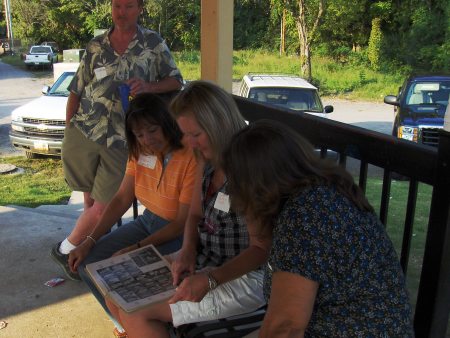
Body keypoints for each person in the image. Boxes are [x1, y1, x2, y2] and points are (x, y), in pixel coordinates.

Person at [105, 81, 270, 337]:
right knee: (115, 286)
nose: (187, 142)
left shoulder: (249, 169)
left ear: (218, 125)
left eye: (194, 135)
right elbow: (193, 215)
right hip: (205, 260)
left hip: (244, 277)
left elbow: (261, 250)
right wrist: (187, 251)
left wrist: (210, 279)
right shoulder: (206, 159)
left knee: (135, 313)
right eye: (185, 134)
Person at [222, 120, 414, 337]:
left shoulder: (306, 215)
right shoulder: (318, 194)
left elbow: (285, 325)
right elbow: (262, 242)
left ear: (256, 184)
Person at [52, 0, 183, 280]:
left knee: (103, 205)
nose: (121, 12)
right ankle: (90, 249)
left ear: (140, 8)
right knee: (89, 200)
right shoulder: (96, 45)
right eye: (116, 5)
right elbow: (77, 88)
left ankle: (68, 250)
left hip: (124, 139)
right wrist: (69, 125)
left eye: (128, 6)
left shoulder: (152, 42)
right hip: (85, 131)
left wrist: (149, 87)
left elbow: (176, 81)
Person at [68, 93, 196, 337]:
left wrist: (137, 247)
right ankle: (123, 325)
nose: (147, 140)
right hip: (147, 222)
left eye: (152, 130)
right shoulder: (139, 150)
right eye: (139, 134)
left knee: (129, 269)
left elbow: (181, 222)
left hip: (175, 231)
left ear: (167, 124)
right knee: (88, 264)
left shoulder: (189, 155)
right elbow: (121, 198)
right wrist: (89, 241)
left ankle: (150, 324)